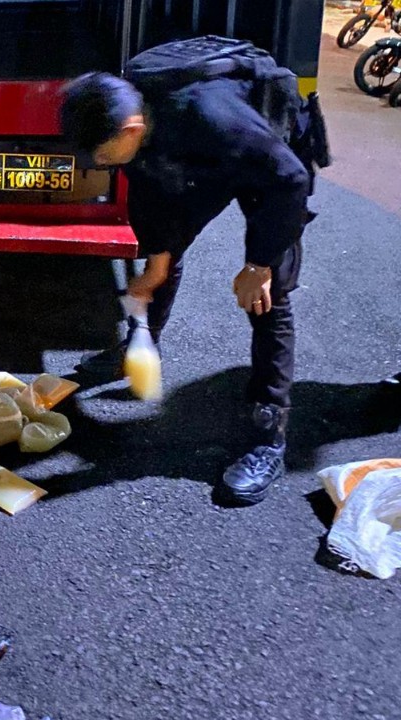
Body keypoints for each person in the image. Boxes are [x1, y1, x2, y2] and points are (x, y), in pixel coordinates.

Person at [60, 37, 329, 506]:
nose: (98, 165)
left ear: (130, 129)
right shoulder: (132, 114)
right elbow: (152, 198)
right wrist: (157, 262)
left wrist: (260, 264)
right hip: (196, 156)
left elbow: (289, 179)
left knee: (267, 298)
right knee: (160, 261)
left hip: (268, 165)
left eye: (102, 156)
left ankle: (268, 435)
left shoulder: (218, 120)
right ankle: (140, 347)